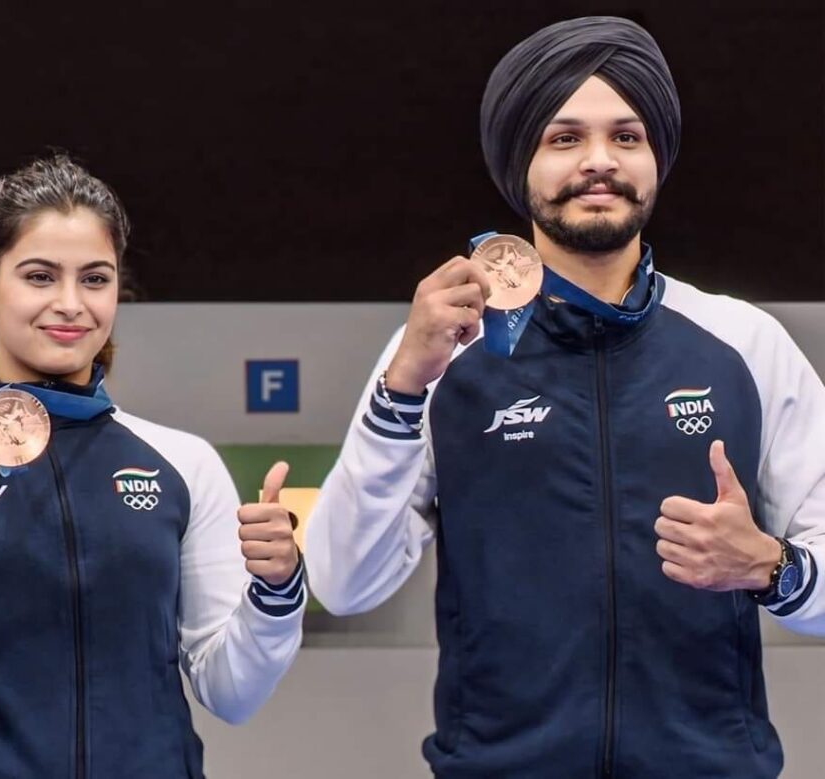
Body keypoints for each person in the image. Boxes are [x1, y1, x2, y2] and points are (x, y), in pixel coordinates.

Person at [305, 16, 825, 779]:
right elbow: (345, 581)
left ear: (656, 159)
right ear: (521, 164)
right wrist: (402, 387)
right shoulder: (442, 351)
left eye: (626, 137)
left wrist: (770, 566)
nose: (598, 162)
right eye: (563, 138)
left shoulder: (746, 344)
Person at [0, 155, 306, 778]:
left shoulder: (183, 464)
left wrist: (278, 593)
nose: (69, 304)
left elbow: (233, 693)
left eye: (94, 278)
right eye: (39, 276)